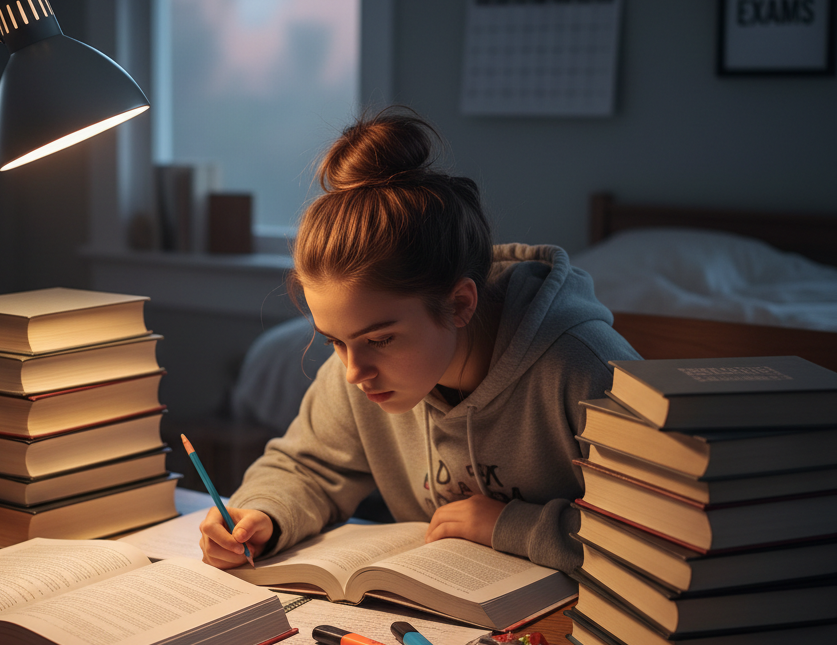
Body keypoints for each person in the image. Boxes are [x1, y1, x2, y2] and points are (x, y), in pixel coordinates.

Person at [198, 108, 640, 573]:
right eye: (334, 342)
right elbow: (306, 468)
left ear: (459, 305)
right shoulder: (357, 371)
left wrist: (512, 525)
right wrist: (261, 515)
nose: (354, 373)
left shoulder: (584, 365)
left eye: (381, 339)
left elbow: (659, 537)